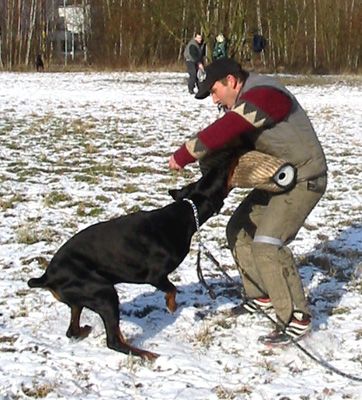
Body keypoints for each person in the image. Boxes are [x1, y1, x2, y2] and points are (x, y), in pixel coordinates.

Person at [168, 58, 327, 346]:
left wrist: (185, 154)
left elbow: (228, 128)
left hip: (305, 178)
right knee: (238, 229)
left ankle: (296, 317)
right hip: (279, 177)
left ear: (231, 81)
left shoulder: (265, 94)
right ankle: (261, 295)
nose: (214, 99)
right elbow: (228, 144)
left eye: (214, 91)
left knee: (268, 243)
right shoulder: (245, 103)